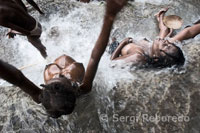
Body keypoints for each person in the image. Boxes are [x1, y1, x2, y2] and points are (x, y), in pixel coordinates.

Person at [0, 0, 128, 118]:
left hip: (55, 61)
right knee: (71, 67)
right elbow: (95, 57)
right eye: (62, 77)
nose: (60, 73)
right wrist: (109, 16)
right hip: (71, 66)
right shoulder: (83, 88)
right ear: (73, 88)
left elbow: (18, 79)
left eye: (56, 77)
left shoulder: (38, 95)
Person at [111, 8, 200, 68]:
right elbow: (164, 33)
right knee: (168, 32)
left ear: (156, 57)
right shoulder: (158, 48)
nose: (166, 42)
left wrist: (123, 42)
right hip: (150, 48)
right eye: (169, 44)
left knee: (176, 34)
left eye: (166, 46)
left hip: (115, 46)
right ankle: (159, 16)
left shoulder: (138, 57)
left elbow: (112, 63)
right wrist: (161, 18)